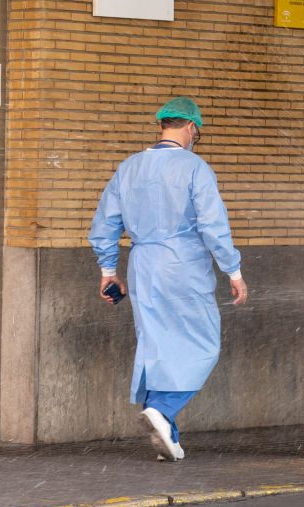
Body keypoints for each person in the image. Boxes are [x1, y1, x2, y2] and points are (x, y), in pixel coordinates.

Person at [89, 96, 248, 462]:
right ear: (191, 127)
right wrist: (233, 271)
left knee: (156, 342)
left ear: (162, 125)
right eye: (198, 131)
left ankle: (168, 434)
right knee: (203, 341)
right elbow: (212, 225)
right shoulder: (195, 168)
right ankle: (163, 408)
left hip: (143, 264)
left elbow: (105, 224)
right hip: (184, 264)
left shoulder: (128, 167)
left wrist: (108, 271)